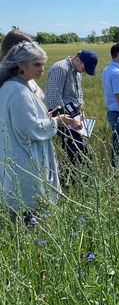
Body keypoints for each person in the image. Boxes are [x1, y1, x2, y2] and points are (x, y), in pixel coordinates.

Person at [0, 41, 81, 222]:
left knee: (23, 214)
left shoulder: (13, 86)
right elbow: (31, 128)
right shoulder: (18, 90)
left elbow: (24, 120)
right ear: (21, 65)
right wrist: (56, 121)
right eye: (37, 64)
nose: (42, 69)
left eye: (43, 64)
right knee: (30, 214)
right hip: (26, 161)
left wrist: (48, 115)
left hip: (16, 157)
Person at [45, 49, 99, 182]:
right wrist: (72, 120)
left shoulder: (77, 71)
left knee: (78, 153)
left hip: (74, 115)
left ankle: (72, 182)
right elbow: (54, 99)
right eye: (84, 68)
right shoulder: (60, 68)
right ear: (78, 59)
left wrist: (81, 111)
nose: (84, 71)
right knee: (80, 152)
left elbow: (78, 94)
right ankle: (68, 182)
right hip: (61, 116)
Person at [0, 27, 45, 100]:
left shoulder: (21, 70)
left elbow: (40, 92)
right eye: (28, 46)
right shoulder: (7, 75)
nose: (34, 50)